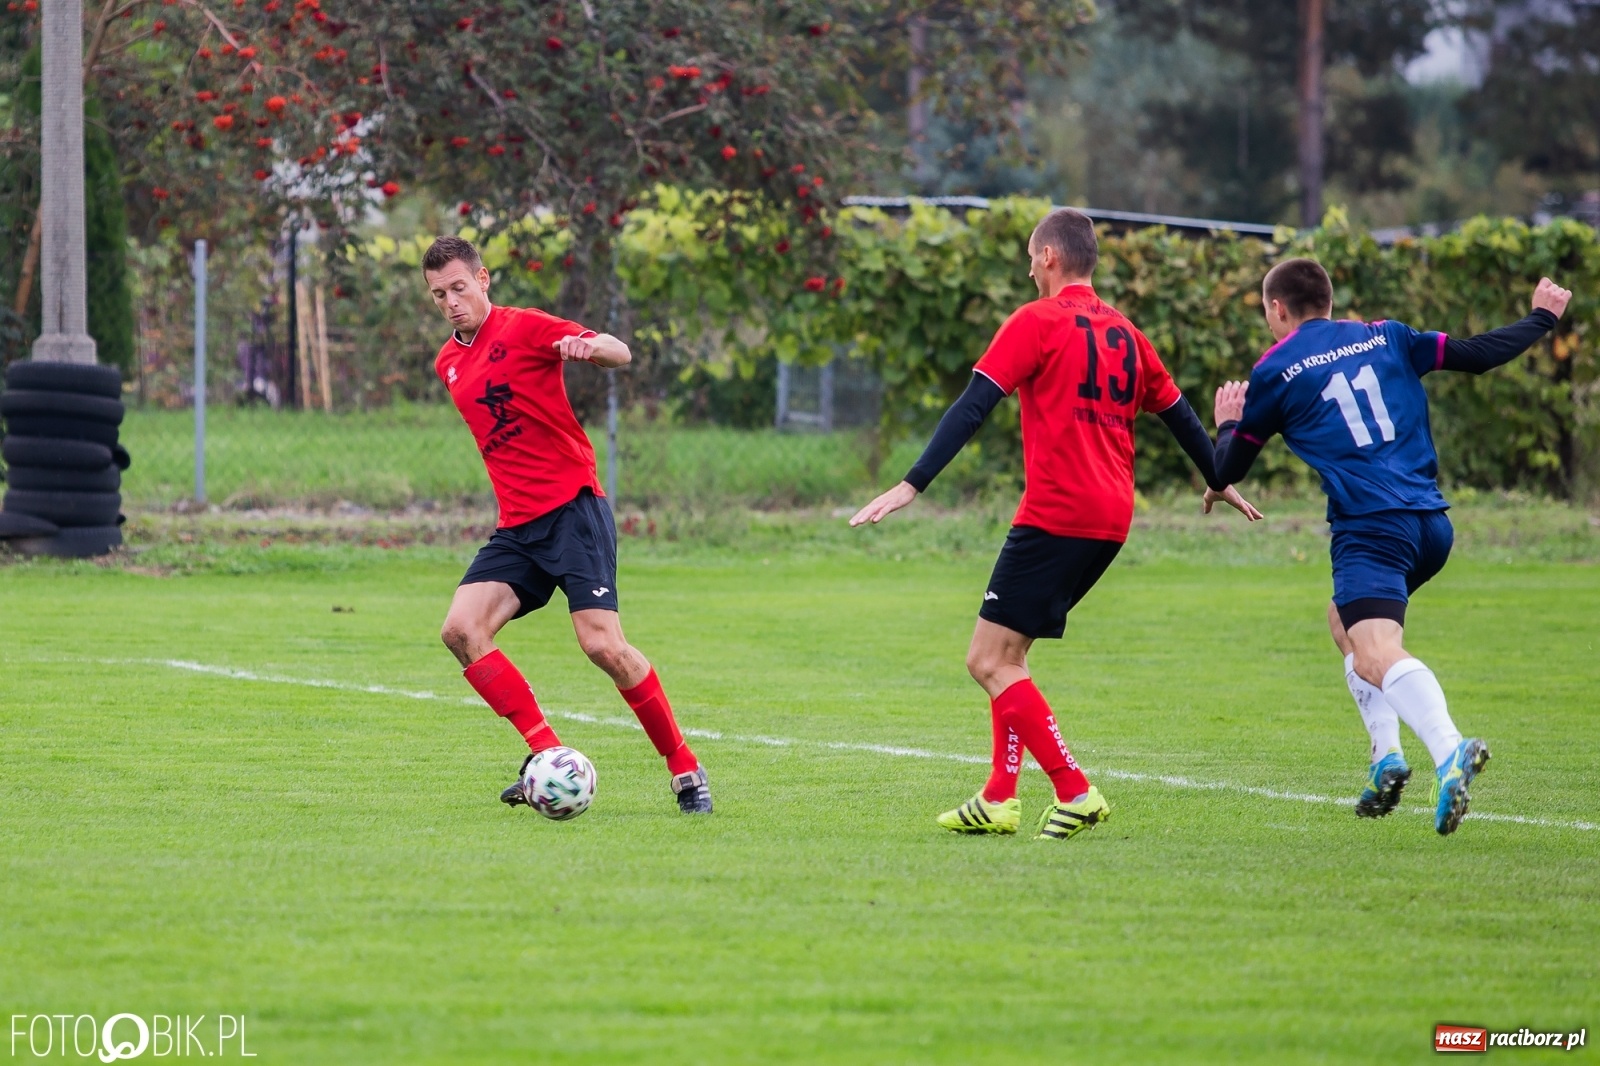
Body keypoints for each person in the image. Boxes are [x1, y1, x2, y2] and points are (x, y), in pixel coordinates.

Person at [850, 208, 1263, 841]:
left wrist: (913, 483)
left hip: (1057, 511)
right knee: (1011, 653)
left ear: (1048, 256)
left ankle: (1075, 790)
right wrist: (1217, 474)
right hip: (1111, 516)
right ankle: (998, 798)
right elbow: (1178, 413)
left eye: (1028, 255)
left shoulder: (1035, 321)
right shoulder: (1127, 331)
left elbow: (973, 405)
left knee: (987, 660)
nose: (1027, 266)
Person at [1211, 258, 1572, 835]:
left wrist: (1228, 421)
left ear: (1276, 309)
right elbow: (1478, 355)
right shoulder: (1387, 335)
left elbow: (1227, 466)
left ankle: (1450, 749)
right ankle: (1386, 757)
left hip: (1372, 528)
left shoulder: (1274, 370)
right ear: (1328, 300)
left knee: (1377, 650)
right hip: (1431, 527)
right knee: (1343, 622)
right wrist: (1541, 318)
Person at [423, 235, 712, 814]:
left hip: (573, 512)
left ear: (484, 279)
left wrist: (593, 350)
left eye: (459, 286)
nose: (452, 301)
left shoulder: (524, 326)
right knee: (460, 631)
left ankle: (685, 770)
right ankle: (546, 757)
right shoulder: (447, 363)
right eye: (439, 294)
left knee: (602, 645)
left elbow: (617, 351)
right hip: (517, 529)